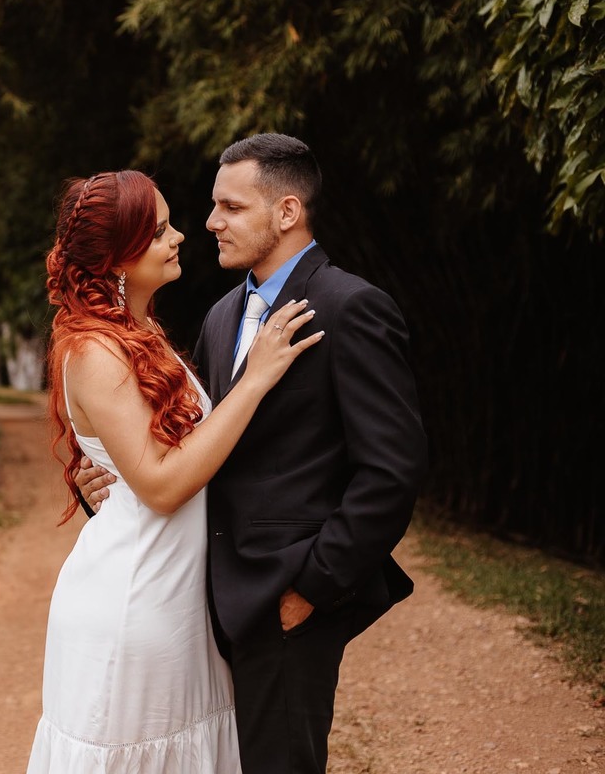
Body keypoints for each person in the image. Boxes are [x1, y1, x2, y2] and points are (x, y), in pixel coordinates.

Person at [77, 134, 429, 774]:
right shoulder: (219, 316)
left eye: (231, 208)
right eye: (214, 206)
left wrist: (311, 590)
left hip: (287, 598)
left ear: (287, 212)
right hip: (205, 601)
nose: (209, 222)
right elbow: (195, 445)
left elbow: (392, 472)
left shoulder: (352, 309)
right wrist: (104, 477)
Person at [26, 169, 324, 774]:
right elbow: (161, 486)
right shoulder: (92, 349)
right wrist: (257, 378)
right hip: (134, 606)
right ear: (116, 256)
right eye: (160, 230)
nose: (182, 236)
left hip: (177, 603)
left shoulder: (140, 334)